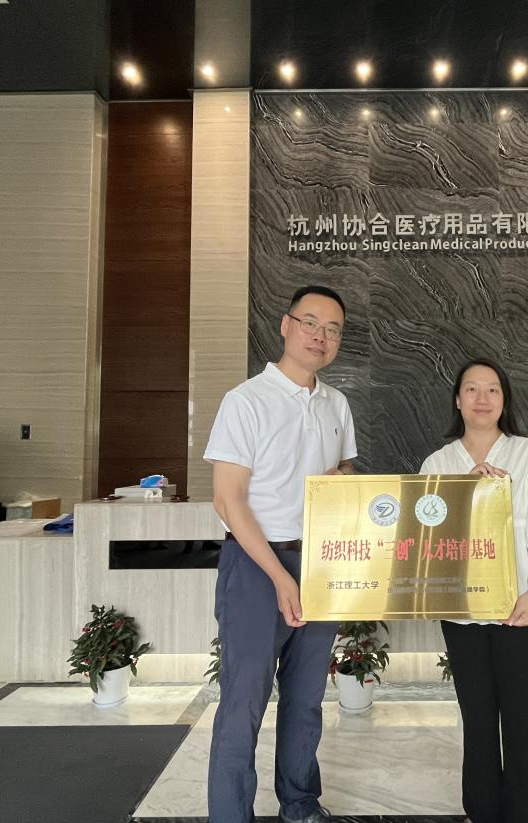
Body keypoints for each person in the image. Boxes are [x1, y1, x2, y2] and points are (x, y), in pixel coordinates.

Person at [204, 285, 356, 823]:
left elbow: (344, 474)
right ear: (286, 325)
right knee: (243, 701)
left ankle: (300, 803)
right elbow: (228, 499)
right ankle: (230, 815)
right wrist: (279, 576)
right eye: (311, 323)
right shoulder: (246, 400)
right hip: (254, 565)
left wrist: (343, 480)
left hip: (319, 564)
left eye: (332, 329)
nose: (321, 336)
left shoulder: (337, 404)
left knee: (306, 698)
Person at [420, 357, 528, 823]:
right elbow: (425, 542)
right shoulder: (437, 464)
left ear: (504, 400)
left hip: (524, 609)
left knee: (526, 724)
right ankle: (482, 810)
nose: (482, 399)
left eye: (492, 389)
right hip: (463, 615)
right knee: (478, 720)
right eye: (472, 389)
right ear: (457, 400)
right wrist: (461, 496)